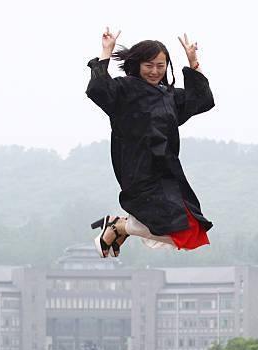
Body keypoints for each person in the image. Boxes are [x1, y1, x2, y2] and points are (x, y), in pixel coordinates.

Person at [86, 28, 214, 257]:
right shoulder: (124, 90)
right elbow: (98, 89)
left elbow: (202, 99)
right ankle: (120, 226)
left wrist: (193, 61)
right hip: (138, 171)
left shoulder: (169, 96)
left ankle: (119, 227)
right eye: (149, 65)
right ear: (137, 65)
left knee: (192, 231)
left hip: (168, 172)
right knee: (177, 229)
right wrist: (106, 51)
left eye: (160, 65)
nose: (155, 71)